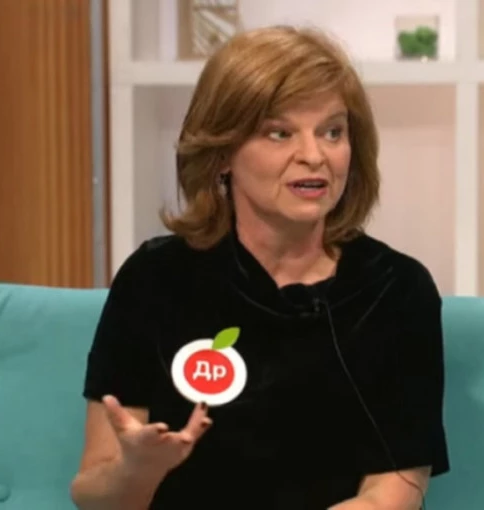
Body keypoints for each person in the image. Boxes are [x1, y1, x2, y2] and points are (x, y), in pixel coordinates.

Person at [70, 24, 449, 510]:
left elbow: (392, 493)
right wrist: (137, 469)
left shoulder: (396, 289)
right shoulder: (155, 279)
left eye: (332, 132)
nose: (314, 156)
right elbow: (93, 496)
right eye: (280, 133)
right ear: (222, 153)